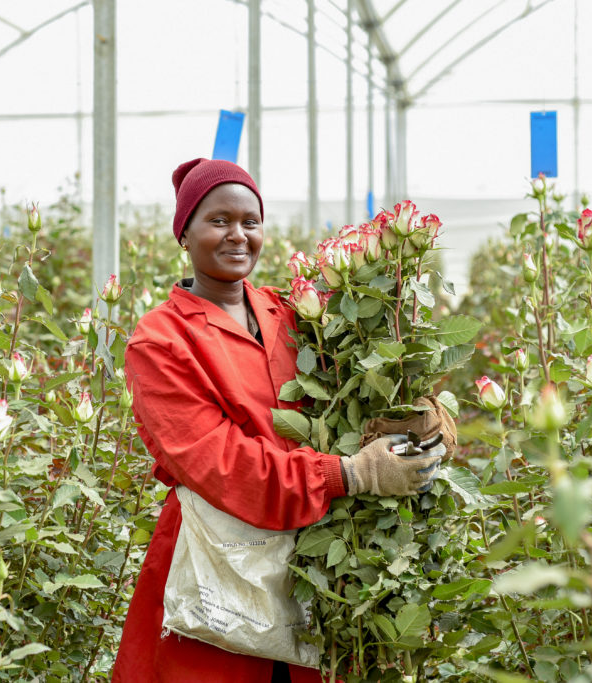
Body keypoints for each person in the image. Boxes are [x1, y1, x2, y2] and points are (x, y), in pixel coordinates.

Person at [111, 158, 454, 682]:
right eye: (219, 221)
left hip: (317, 563)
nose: (238, 236)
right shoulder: (160, 340)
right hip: (222, 566)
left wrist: (418, 415)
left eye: (250, 222)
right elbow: (221, 463)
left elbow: (353, 389)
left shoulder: (289, 313)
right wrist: (351, 473)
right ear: (184, 233)